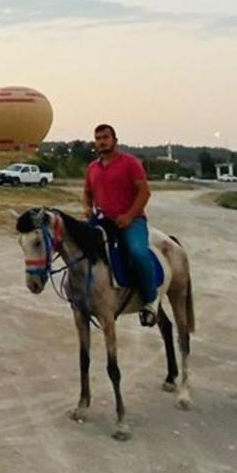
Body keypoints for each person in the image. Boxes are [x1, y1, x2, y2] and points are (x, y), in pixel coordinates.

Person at [83, 123, 157, 326]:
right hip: (102, 220)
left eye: (105, 137)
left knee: (137, 252)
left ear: (115, 140)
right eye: (98, 138)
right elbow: (87, 194)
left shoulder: (130, 163)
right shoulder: (92, 168)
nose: (101, 141)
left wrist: (129, 216)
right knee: (79, 250)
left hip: (132, 221)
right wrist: (87, 208)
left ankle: (150, 300)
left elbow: (144, 192)